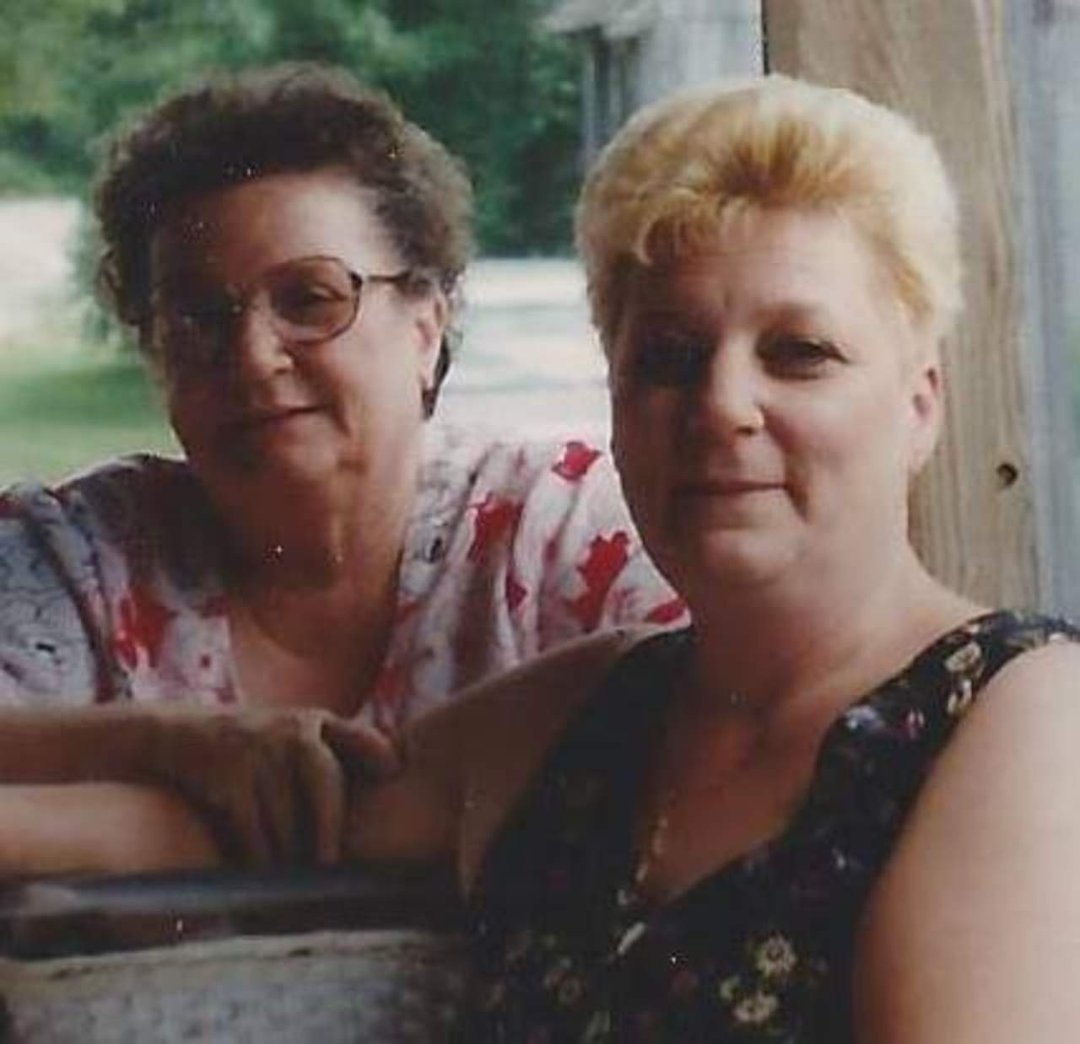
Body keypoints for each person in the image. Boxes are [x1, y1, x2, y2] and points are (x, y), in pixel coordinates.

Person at [5, 74, 1080, 1039]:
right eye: (668, 359)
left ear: (920, 404)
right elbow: (238, 826)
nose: (722, 406)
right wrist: (171, 746)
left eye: (799, 354)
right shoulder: (579, 716)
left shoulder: (1017, 721)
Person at [0, 62, 682, 727]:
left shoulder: (559, 534)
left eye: (310, 298)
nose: (253, 356)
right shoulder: (76, 561)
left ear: (426, 326)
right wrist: (174, 751)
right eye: (199, 317)